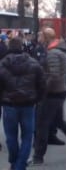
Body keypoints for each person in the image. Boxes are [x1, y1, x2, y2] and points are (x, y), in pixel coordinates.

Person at [31, 27, 66, 165]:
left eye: (40, 36)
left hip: (51, 93)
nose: (38, 39)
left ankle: (38, 156)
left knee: (41, 124)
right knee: (59, 122)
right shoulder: (56, 51)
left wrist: (43, 90)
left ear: (46, 37)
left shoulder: (53, 53)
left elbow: (53, 75)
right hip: (59, 91)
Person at [0, 37, 46, 170]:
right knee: (27, 136)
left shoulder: (2, 64)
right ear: (22, 47)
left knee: (11, 137)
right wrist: (37, 99)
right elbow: (42, 84)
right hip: (28, 105)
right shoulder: (34, 63)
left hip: (9, 105)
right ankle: (20, 165)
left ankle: (15, 163)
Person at [32, 31, 65, 146]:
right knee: (42, 116)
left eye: (40, 36)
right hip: (45, 85)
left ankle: (51, 135)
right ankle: (38, 140)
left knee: (54, 117)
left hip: (50, 87)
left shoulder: (51, 50)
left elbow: (53, 72)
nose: (38, 38)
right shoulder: (38, 49)